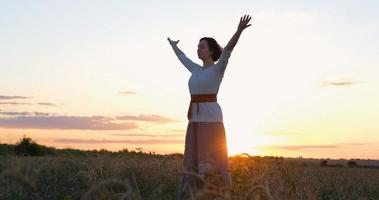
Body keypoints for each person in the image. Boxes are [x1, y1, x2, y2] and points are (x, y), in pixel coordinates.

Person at [168, 14, 252, 200]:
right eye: (197, 46)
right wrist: (174, 46)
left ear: (211, 51)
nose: (198, 49)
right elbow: (182, 58)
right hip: (195, 121)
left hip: (211, 120)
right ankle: (192, 195)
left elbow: (228, 50)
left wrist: (238, 31)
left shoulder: (217, 68)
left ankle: (215, 194)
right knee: (192, 161)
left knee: (211, 162)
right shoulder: (196, 70)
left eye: (202, 46)